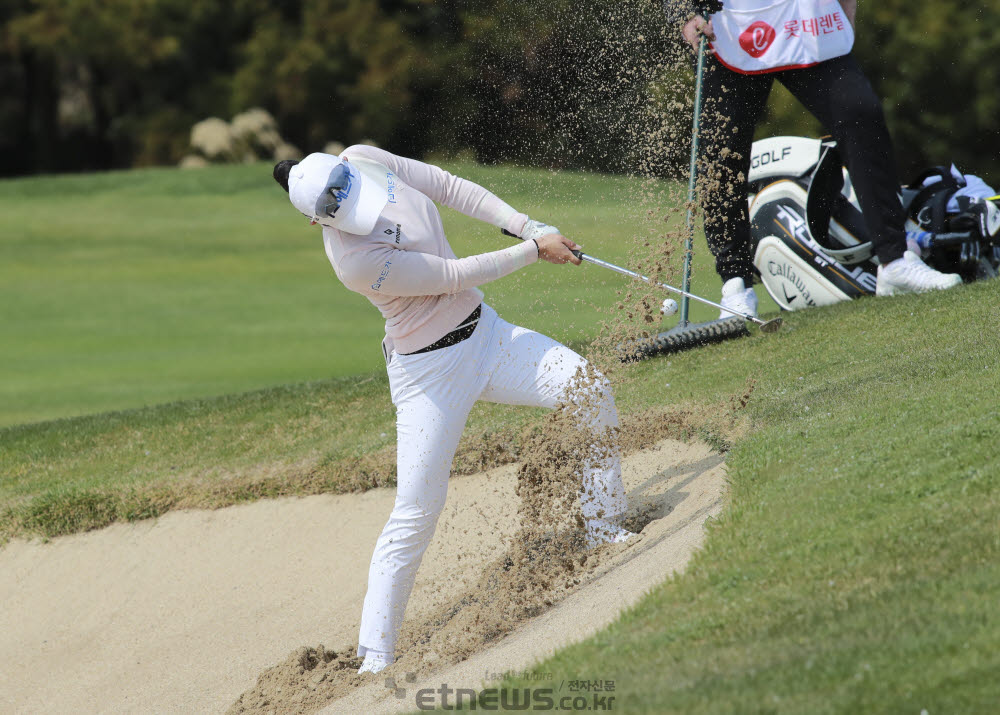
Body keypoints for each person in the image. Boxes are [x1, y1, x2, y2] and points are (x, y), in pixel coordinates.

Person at [272, 146, 632, 675]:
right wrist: (534, 249)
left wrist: (525, 223)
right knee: (417, 510)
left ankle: (605, 526)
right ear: (314, 220)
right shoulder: (353, 261)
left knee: (588, 388)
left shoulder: (366, 158)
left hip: (487, 335)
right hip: (429, 376)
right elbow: (450, 274)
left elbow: (447, 185)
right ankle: (375, 656)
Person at [663, 0, 961, 318]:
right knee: (720, 154)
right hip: (731, 30)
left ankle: (895, 262)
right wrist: (684, 14)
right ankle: (736, 287)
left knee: (861, 113)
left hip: (805, 23)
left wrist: (847, 10)